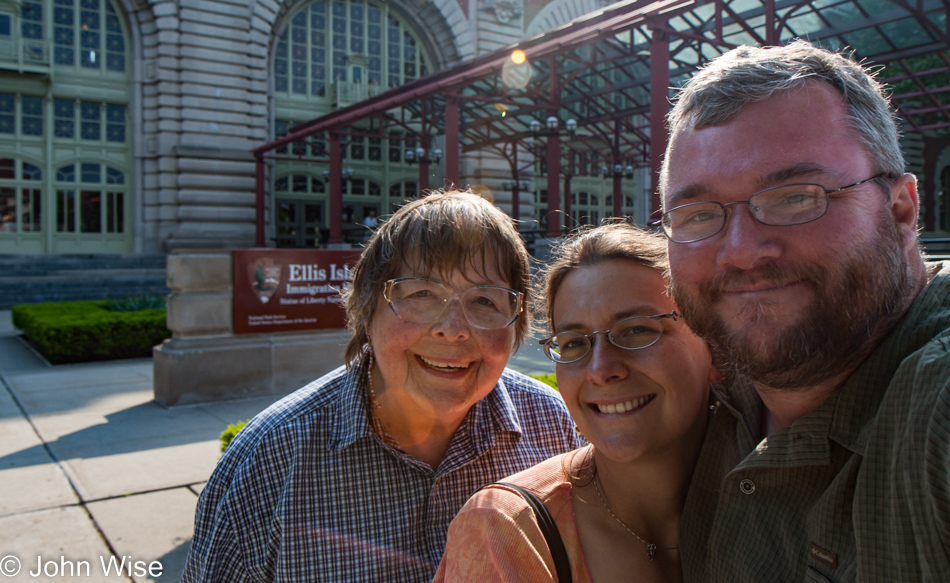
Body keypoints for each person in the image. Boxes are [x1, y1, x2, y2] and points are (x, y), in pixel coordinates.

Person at [657, 40, 950, 581]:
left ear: (902, 211)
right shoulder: (710, 395)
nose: (742, 251)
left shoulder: (935, 407)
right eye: (696, 214)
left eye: (796, 196)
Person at [181, 190, 584, 582]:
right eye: (422, 293)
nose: (453, 329)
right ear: (366, 309)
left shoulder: (554, 428)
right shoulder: (269, 461)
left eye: (484, 301)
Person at [434, 223, 721, 583]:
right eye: (573, 343)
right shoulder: (509, 532)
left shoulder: (787, 496)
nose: (601, 370)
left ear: (715, 347)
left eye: (636, 329)